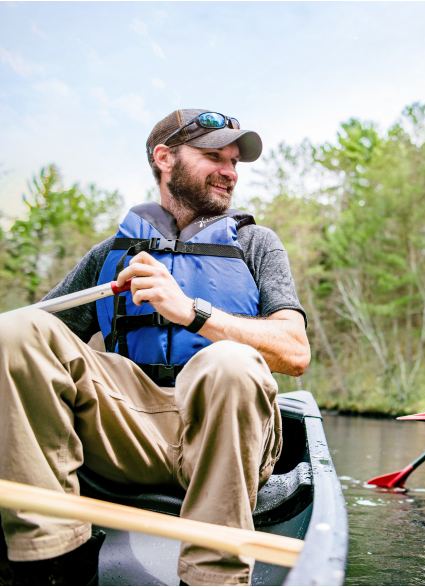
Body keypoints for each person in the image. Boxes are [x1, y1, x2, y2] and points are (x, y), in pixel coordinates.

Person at [0, 109, 310, 586]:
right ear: (164, 158)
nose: (229, 171)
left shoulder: (256, 244)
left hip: (226, 430)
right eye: (213, 156)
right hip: (129, 429)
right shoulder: (111, 254)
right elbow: (29, 351)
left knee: (229, 362)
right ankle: (53, 566)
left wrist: (191, 311)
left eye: (234, 162)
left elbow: (294, 353)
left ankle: (212, 577)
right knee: (15, 332)